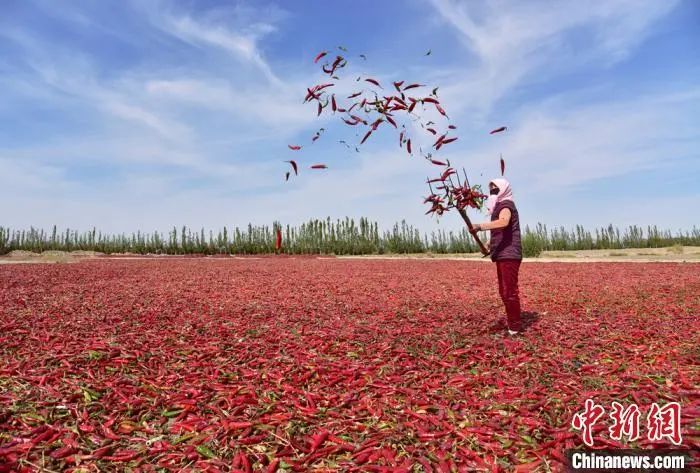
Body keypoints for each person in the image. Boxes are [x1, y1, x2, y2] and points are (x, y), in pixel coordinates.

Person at [469, 178, 523, 335]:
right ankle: (512, 320)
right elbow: (499, 231)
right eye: (490, 188)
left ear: (504, 189)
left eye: (495, 188)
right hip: (501, 254)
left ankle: (514, 326)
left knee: (509, 291)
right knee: (503, 291)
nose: (492, 191)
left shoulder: (506, 204)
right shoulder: (498, 206)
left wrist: (480, 226)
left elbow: (504, 222)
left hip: (509, 254)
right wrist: (488, 244)